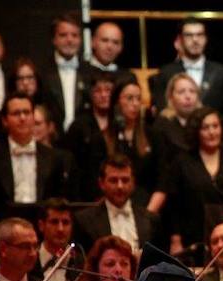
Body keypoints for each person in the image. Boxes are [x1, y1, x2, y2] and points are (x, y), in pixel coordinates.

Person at [161, 106, 223, 253]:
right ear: (196, 132)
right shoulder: (182, 162)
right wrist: (175, 240)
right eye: (205, 128)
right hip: (194, 239)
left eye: (215, 126)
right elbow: (174, 206)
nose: (211, 132)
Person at [0, 93, 72, 229]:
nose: (22, 118)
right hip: (1, 231)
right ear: (4, 120)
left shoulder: (54, 158)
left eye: (27, 112)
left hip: (43, 231)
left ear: (33, 117)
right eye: (16, 113)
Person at [73, 154, 161, 253]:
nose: (120, 186)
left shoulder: (151, 219)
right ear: (101, 183)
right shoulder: (84, 220)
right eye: (113, 180)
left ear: (133, 183)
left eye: (125, 180)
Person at [105, 79, 162, 208]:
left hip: (147, 207)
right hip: (112, 208)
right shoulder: (102, 138)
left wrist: (148, 214)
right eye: (130, 98)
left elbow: (162, 181)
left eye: (138, 98)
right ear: (117, 102)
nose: (135, 104)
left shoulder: (153, 136)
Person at [152, 17, 223, 113]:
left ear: (206, 39)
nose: (195, 39)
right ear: (179, 39)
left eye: (200, 35)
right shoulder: (166, 72)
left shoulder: (221, 71)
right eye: (189, 35)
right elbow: (162, 111)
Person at [63, 71, 115, 203]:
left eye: (108, 90)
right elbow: (73, 165)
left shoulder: (120, 122)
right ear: (91, 94)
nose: (103, 95)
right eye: (98, 91)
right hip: (87, 195)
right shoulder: (79, 126)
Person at [41, 13, 92, 132]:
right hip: (51, 139)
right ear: (54, 39)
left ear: (80, 39)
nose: (70, 40)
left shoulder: (90, 72)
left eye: (75, 35)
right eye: (63, 35)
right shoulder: (42, 71)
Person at [33, 198, 77, 281]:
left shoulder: (82, 263)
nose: (60, 229)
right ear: (41, 225)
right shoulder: (30, 261)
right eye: (54, 222)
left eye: (65, 222)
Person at [87, 21, 134, 87]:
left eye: (115, 42)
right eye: (105, 40)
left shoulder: (128, 77)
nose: (109, 46)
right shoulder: (81, 73)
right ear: (93, 42)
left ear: (121, 47)